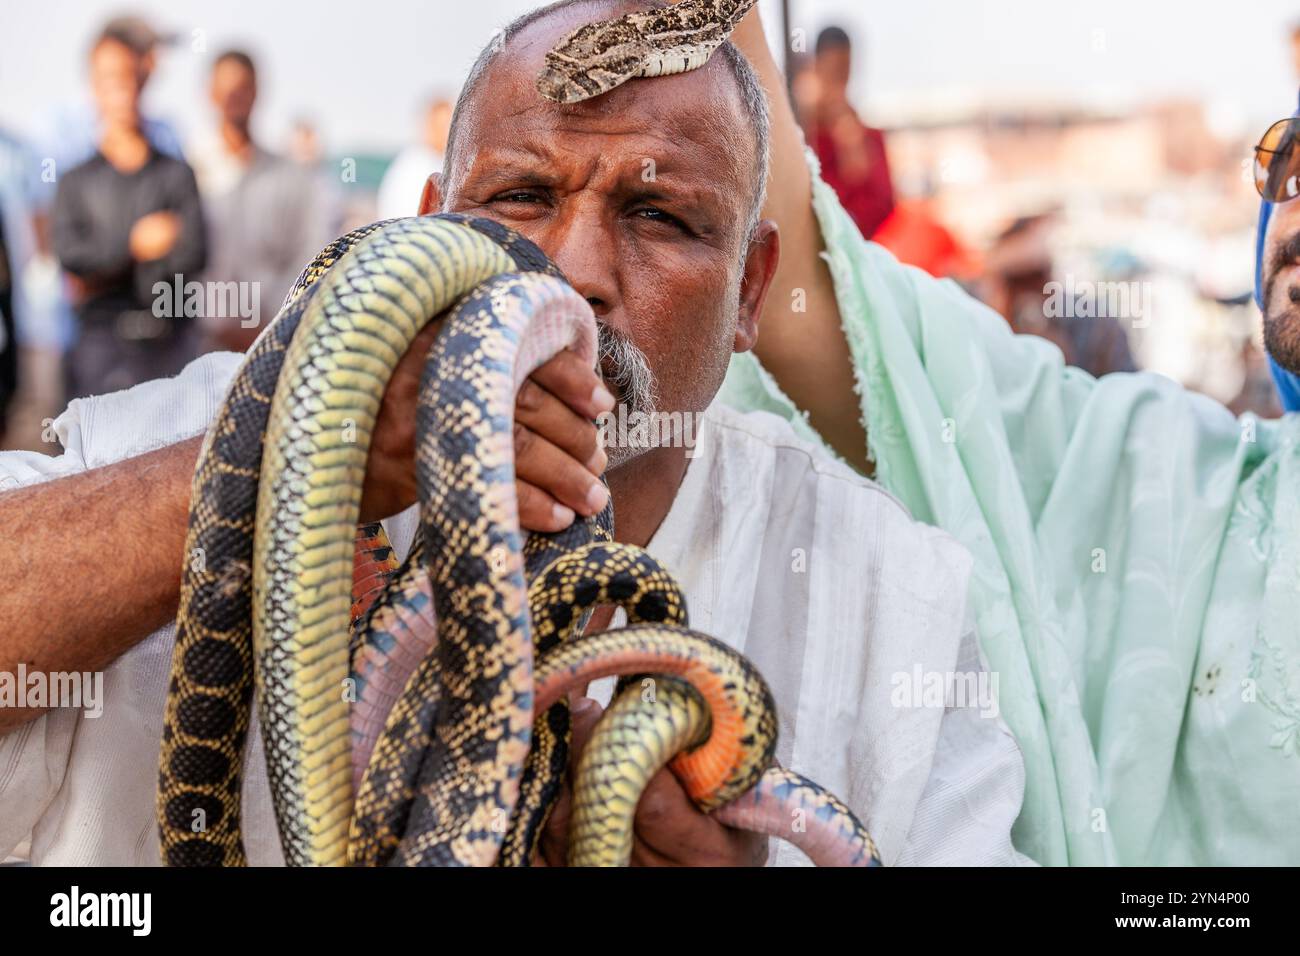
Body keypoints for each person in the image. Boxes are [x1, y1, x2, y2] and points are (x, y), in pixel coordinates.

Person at [0, 0, 1025, 867]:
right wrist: (305, 454)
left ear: (751, 288)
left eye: (661, 217)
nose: (574, 270)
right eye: (522, 197)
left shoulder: (898, 593)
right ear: (427, 222)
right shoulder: (200, 425)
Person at [51, 25, 206, 398]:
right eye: (110, 78)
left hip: (170, 352)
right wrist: (134, 246)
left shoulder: (175, 172)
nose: (123, 89)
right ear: (94, 86)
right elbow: (73, 259)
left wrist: (105, 268)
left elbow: (193, 253)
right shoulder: (75, 179)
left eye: (131, 76)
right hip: (100, 355)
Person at [191, 50, 332, 352]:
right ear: (210, 93)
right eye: (225, 89)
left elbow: (308, 257)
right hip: (195, 345)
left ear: (257, 92)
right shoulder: (187, 174)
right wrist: (214, 322)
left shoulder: (291, 179)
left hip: (271, 342)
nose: (233, 98)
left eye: (242, 88)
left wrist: (267, 319)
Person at [794, 26, 894, 239]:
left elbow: (882, 205)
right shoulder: (801, 133)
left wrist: (854, 150)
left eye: (843, 71)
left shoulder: (866, 136)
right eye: (832, 71)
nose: (838, 82)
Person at [376, 97, 453, 220]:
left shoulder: (442, 161)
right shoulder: (411, 168)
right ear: (428, 125)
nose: (447, 132)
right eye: (442, 126)